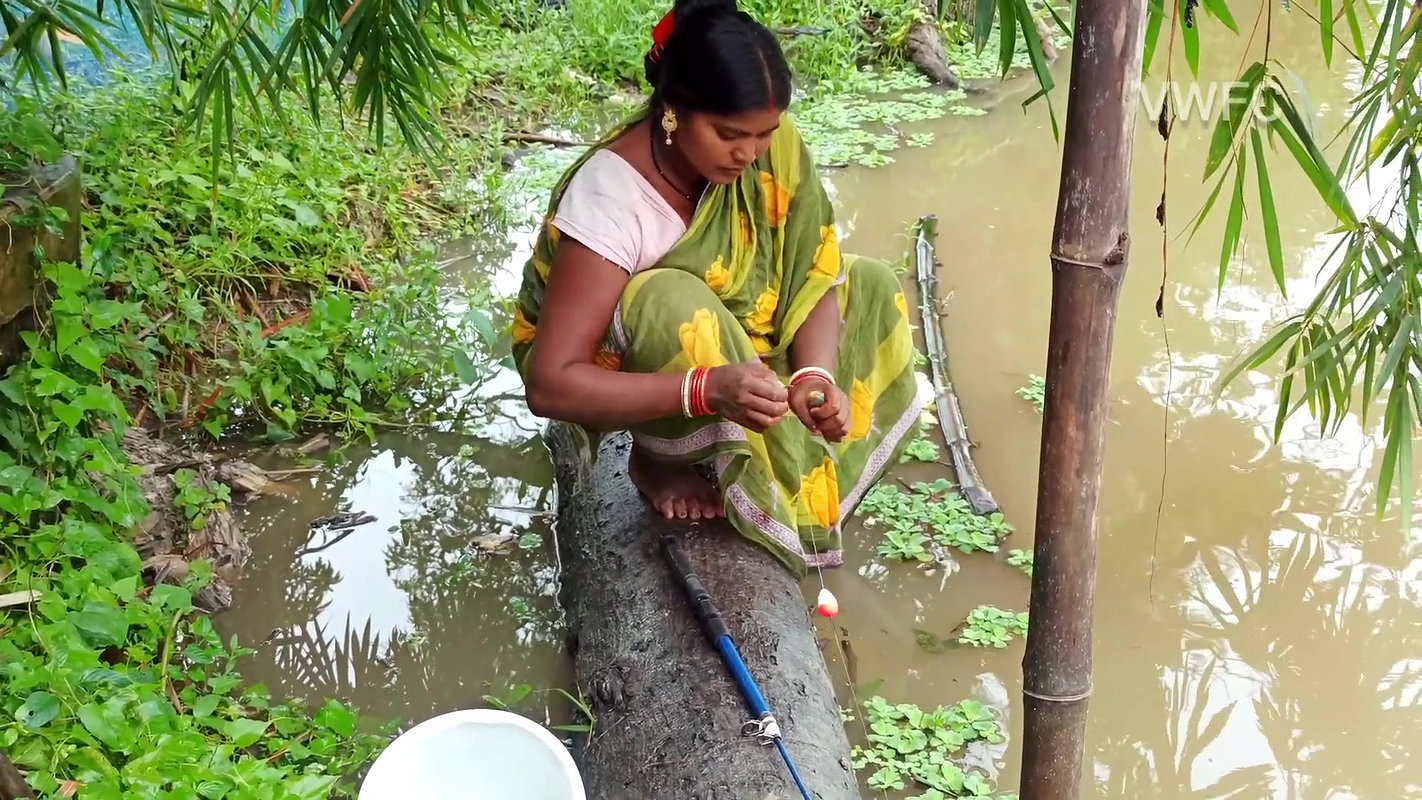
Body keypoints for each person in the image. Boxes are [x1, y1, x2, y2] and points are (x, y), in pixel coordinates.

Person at [510, 0, 923, 576]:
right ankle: (658, 458)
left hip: (741, 346)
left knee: (871, 282)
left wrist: (815, 377)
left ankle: (763, 461)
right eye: (729, 134)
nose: (749, 154)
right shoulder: (611, 197)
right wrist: (705, 390)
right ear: (673, 111)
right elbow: (551, 384)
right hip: (637, 358)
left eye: (764, 135)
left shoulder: (770, 150)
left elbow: (812, 272)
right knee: (671, 300)